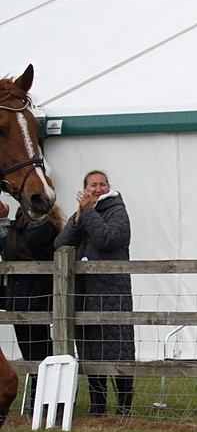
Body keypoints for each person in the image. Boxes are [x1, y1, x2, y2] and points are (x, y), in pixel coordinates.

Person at [53, 171, 135, 416]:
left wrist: (88, 213)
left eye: (102, 184)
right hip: (84, 295)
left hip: (111, 292)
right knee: (89, 349)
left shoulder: (118, 211)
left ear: (109, 187)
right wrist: (78, 218)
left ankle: (124, 407)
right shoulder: (83, 213)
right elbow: (61, 244)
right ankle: (97, 407)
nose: (97, 189)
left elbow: (107, 239)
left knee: (119, 349)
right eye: (92, 185)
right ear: (85, 189)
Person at [0, 198, 64, 416]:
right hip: (19, 298)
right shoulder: (19, 225)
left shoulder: (46, 227)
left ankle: (44, 404)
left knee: (40, 353)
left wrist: (2, 222)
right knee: (30, 353)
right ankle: (38, 403)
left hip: (36, 298)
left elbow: (19, 247)